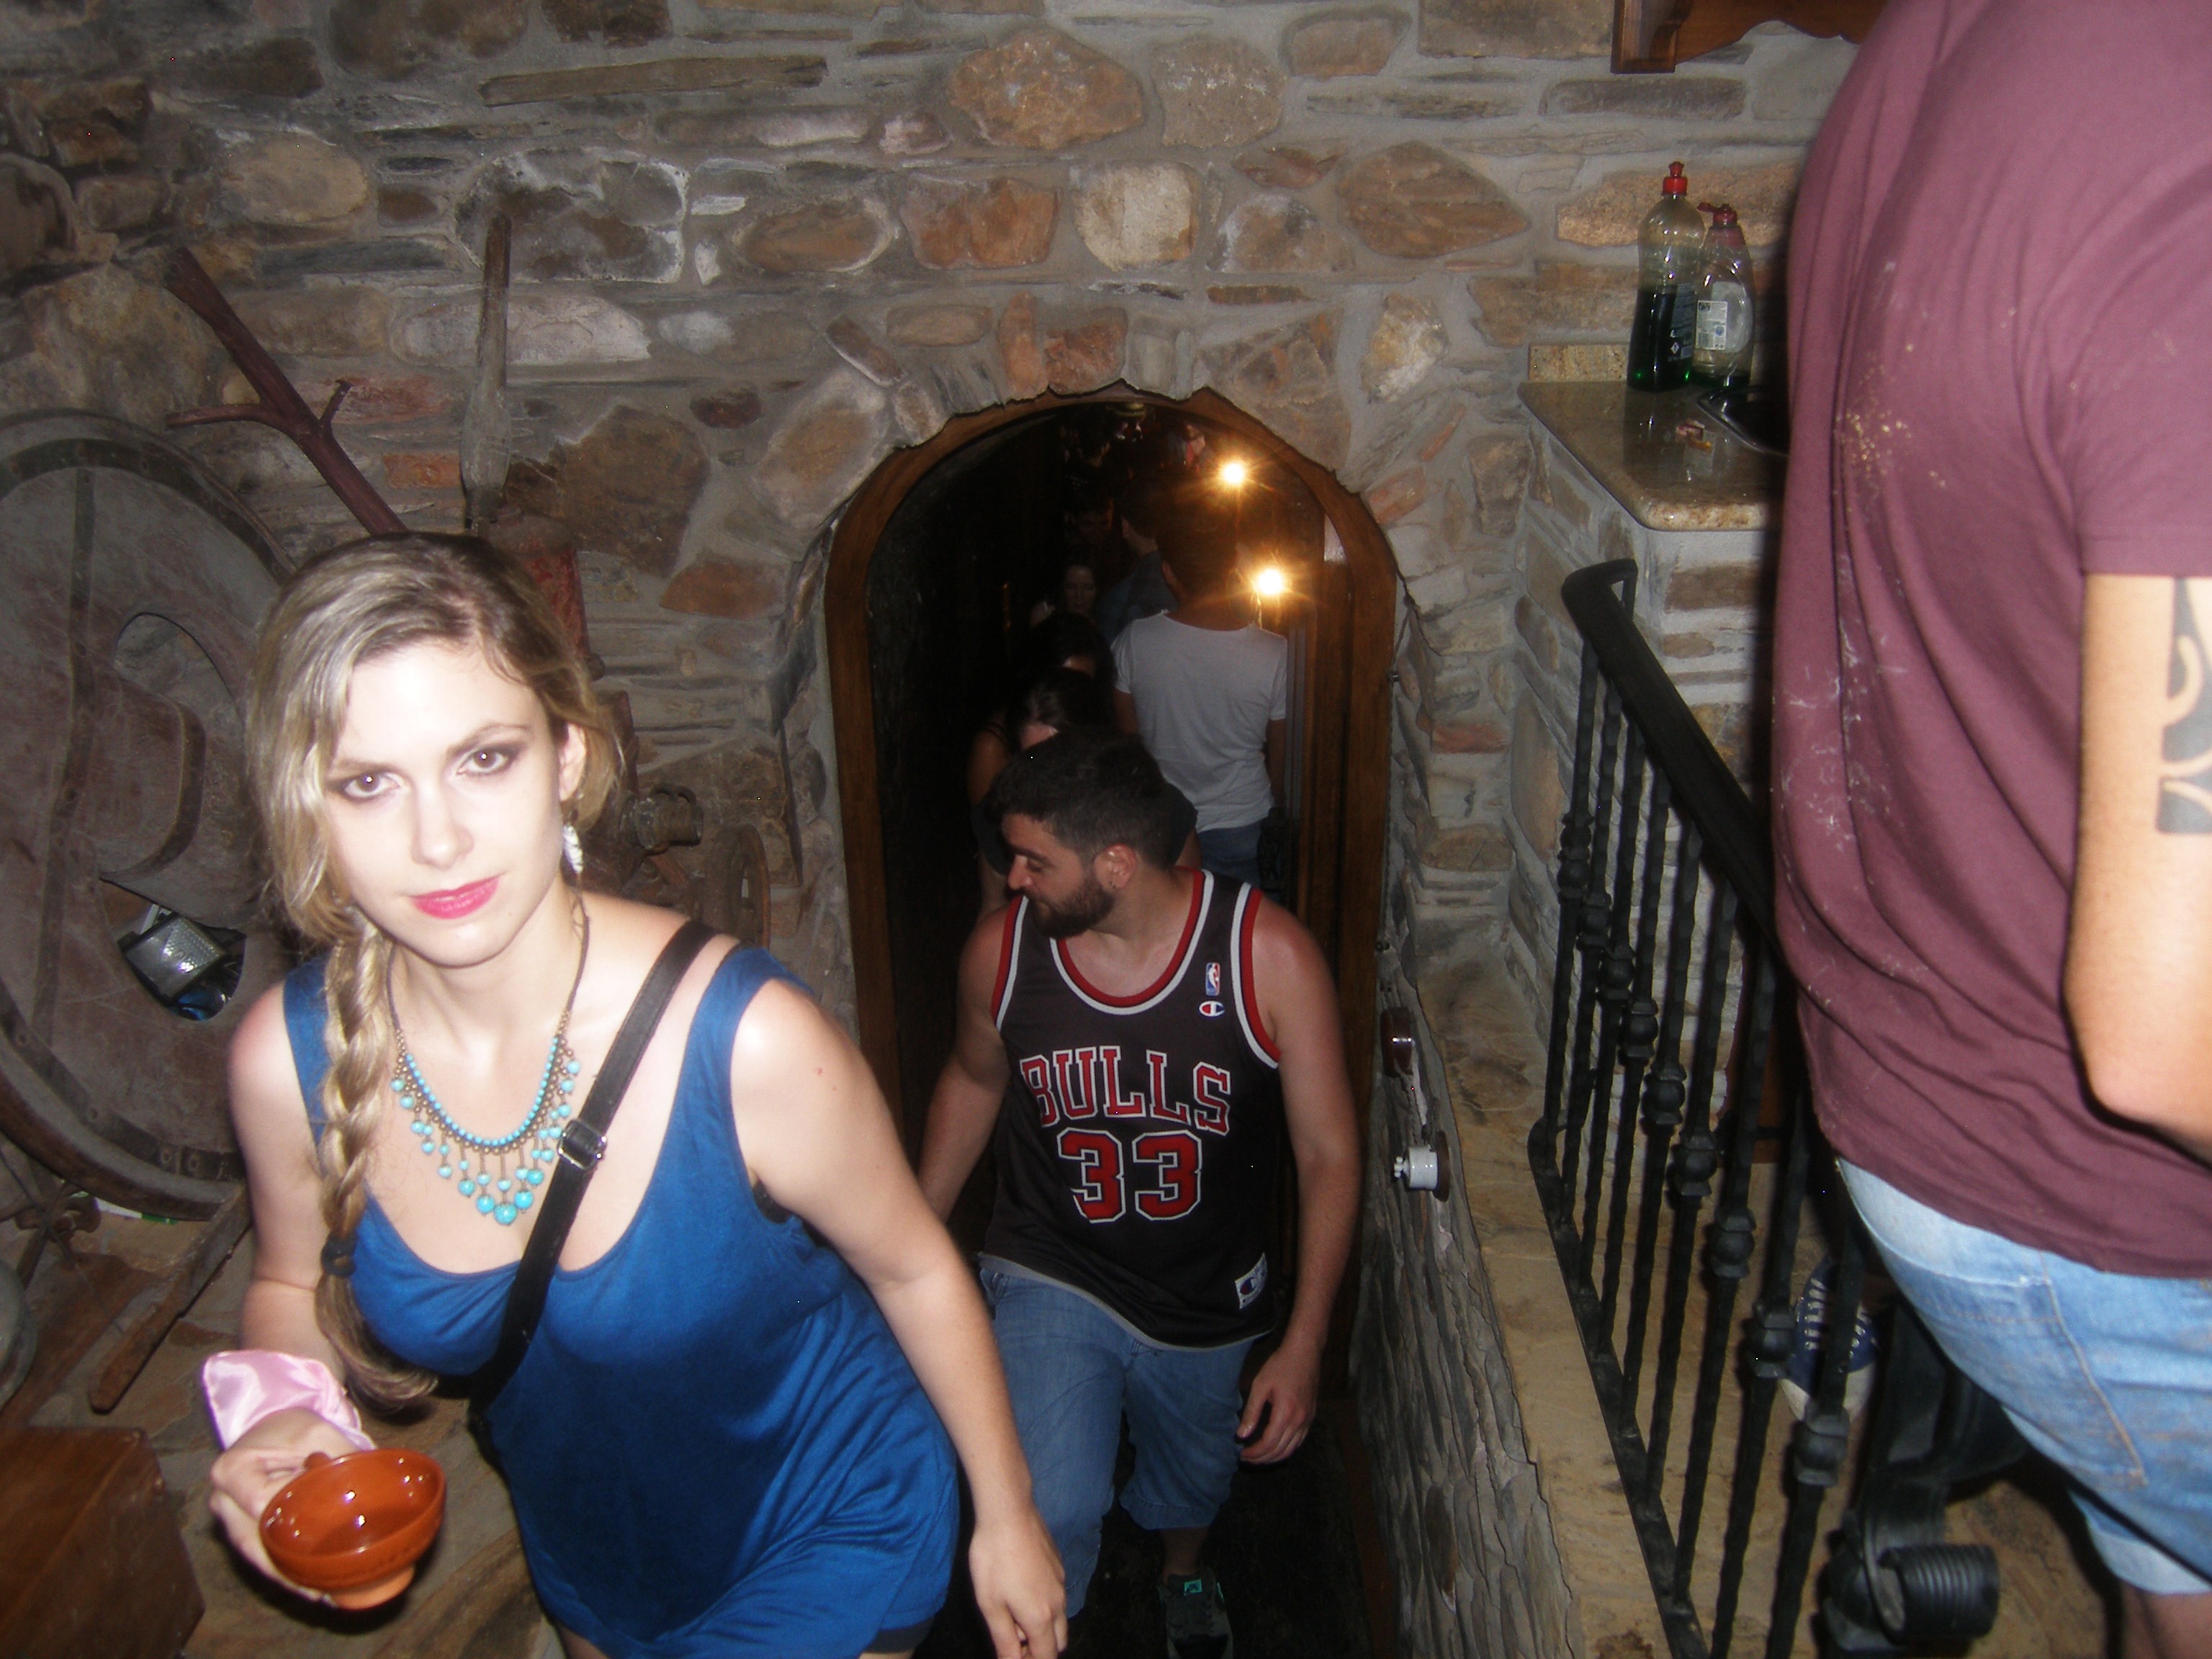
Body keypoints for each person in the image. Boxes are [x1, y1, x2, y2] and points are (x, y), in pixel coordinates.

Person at [204, 536, 1065, 1659]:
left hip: (829, 1524)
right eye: (367, 783)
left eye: (484, 759)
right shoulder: (289, 1064)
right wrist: (282, 1412)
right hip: (597, 1555)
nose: (437, 839)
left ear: (566, 758)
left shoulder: (746, 1041)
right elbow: (288, 1281)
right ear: (306, 804)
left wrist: (1008, 1513)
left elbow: (914, 1267)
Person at [1771, 6, 2212, 1656]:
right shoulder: (2181, 133)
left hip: (1944, 1090)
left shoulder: (1954, 40)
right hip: (2109, 1197)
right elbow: (2170, 1030)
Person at [918, 732, 1359, 1659]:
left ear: (1116, 864)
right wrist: (910, 1236)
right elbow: (974, 1078)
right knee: (1048, 1497)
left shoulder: (1266, 955)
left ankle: (1182, 1569)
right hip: (1051, 1261)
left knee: (1194, 1479)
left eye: (1034, 861)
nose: (1013, 879)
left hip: (1205, 1290)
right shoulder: (1002, 955)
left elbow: (1328, 1154)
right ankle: (1047, 1630)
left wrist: (1306, 1341)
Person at [1112, 509, 1286, 892]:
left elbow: (1129, 741)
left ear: (1169, 572)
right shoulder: (1275, 653)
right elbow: (1282, 756)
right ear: (1232, 564)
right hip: (1244, 819)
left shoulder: (1135, 642)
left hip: (1166, 823)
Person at [1028, 559, 1099, 629]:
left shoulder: (1103, 620)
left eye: (1088, 588)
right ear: (1062, 588)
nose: (1079, 595)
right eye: (1071, 587)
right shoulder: (1044, 616)